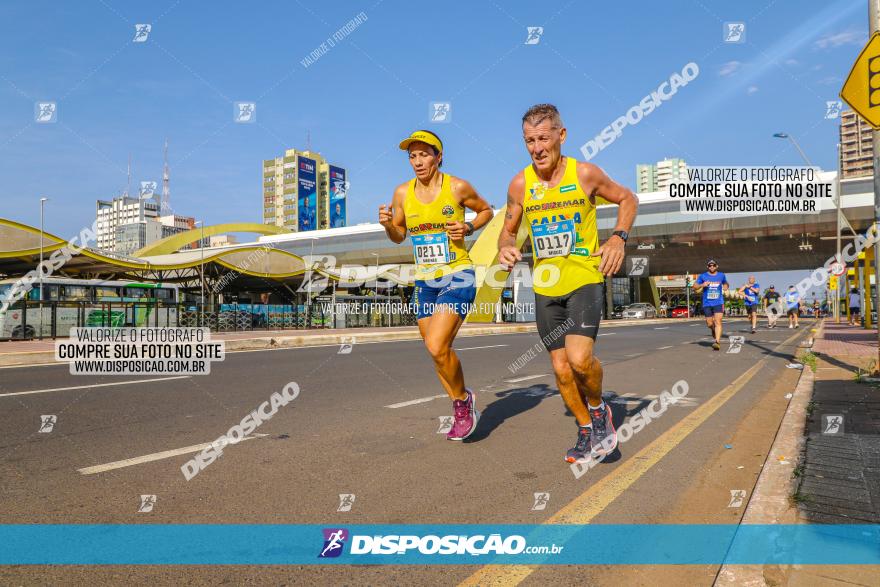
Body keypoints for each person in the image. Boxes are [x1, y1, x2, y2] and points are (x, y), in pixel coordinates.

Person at [498, 104, 638, 463]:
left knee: (579, 359)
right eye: (529, 141)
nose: (536, 148)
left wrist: (618, 238)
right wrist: (506, 247)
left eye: (543, 138)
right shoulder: (520, 184)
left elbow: (628, 198)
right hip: (546, 287)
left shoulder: (586, 174)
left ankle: (597, 408)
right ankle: (586, 427)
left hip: (584, 280)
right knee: (561, 370)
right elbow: (508, 231)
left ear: (562, 136)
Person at [379, 130, 493, 441]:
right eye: (412, 156)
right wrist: (389, 223)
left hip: (458, 274)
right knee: (437, 353)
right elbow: (399, 235)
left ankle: (463, 403)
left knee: (436, 344)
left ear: (438, 156)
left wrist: (468, 225)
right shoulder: (402, 193)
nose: (417, 161)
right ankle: (461, 400)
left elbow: (487, 210)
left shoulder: (457, 187)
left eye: (424, 154)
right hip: (425, 281)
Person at [693, 259, 728, 350]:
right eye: (710, 265)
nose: (712, 267)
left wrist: (725, 286)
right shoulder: (703, 276)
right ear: (707, 267)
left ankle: (717, 342)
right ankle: (713, 329)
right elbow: (694, 286)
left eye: (713, 265)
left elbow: (725, 283)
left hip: (718, 302)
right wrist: (702, 285)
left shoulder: (721, 275)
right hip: (707, 303)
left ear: (717, 266)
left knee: (718, 321)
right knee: (709, 323)